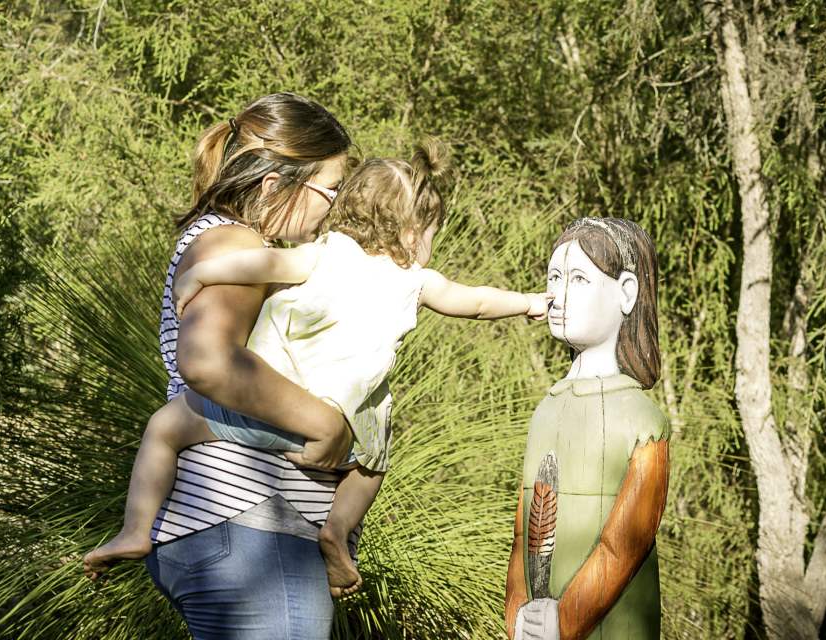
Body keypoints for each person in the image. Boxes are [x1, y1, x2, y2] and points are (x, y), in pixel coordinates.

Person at [85, 138, 552, 598]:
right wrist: (529, 302)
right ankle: (338, 530)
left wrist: (202, 273)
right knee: (373, 462)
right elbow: (475, 302)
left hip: (265, 409)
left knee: (164, 428)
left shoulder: (320, 256)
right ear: (413, 234)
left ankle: (136, 528)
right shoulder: (416, 281)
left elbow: (258, 262)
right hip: (337, 430)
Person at [95, 92, 352, 639]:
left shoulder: (231, 243)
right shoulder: (233, 241)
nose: (335, 204)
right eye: (330, 188)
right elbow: (207, 360)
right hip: (247, 528)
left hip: (238, 532)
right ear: (274, 184)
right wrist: (325, 424)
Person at [505, 217, 669, 640]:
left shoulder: (642, 421)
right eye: (554, 276)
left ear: (627, 292)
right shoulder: (547, 407)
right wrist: (518, 611)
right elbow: (524, 531)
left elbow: (625, 543)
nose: (556, 295)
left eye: (578, 278)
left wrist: (565, 618)